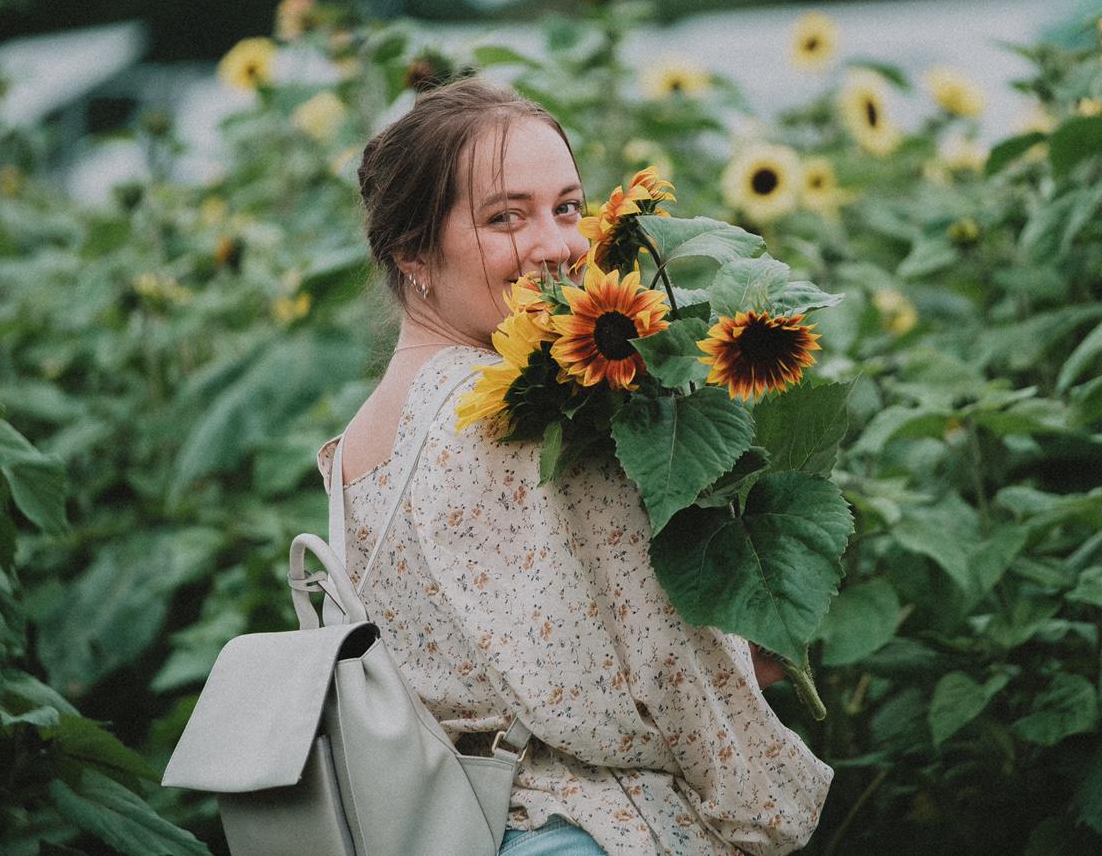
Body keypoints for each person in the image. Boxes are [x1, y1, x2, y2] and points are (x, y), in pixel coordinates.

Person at [314, 77, 833, 855]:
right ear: (413, 252)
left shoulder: (356, 443)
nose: (558, 244)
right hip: (592, 831)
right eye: (504, 217)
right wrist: (772, 802)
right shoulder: (510, 413)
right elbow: (660, 667)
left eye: (566, 206)